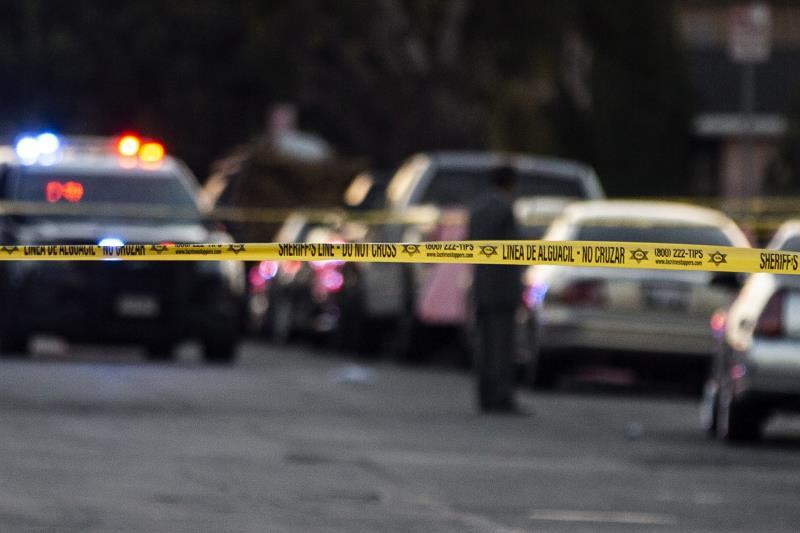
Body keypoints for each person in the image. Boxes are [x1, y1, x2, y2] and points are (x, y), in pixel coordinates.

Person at [468, 165, 525, 414]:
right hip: (503, 289)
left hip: (482, 286)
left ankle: (485, 395)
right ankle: (501, 397)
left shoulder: (477, 208)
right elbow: (514, 249)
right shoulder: (504, 208)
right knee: (502, 347)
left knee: (485, 345)